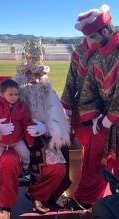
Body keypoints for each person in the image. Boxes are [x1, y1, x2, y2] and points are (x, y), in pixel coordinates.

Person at [0, 40, 71, 218]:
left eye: (37, 72)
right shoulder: (8, 89)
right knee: (7, 163)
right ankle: (5, 204)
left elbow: (61, 122)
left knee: (58, 168)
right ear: (22, 71)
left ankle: (36, 194)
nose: (33, 77)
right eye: (29, 72)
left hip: (42, 139)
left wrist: (46, 128)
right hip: (12, 138)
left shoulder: (48, 91)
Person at [78, 4, 119, 207]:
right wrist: (94, 116)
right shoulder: (98, 55)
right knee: (95, 161)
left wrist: (110, 118)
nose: (90, 42)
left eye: (93, 37)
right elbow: (89, 88)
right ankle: (89, 199)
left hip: (114, 119)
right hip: (104, 119)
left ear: (105, 31)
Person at [60, 12, 100, 209]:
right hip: (82, 112)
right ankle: (80, 192)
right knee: (86, 153)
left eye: (93, 35)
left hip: (105, 115)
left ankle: (87, 196)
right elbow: (71, 80)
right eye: (88, 36)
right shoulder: (78, 52)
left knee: (98, 157)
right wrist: (66, 107)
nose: (90, 40)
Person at [0, 79, 33, 195]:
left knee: (26, 154)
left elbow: (26, 123)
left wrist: (30, 141)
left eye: (16, 94)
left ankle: (26, 168)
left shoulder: (21, 106)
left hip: (17, 140)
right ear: (2, 94)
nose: (14, 97)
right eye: (10, 94)